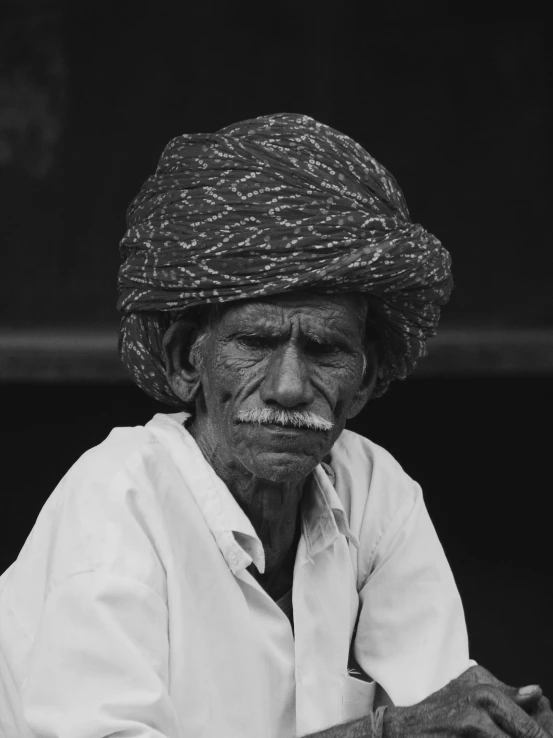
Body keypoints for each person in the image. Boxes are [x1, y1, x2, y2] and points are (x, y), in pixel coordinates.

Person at [0, 114, 551, 738]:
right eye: (257, 342)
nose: (289, 387)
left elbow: (444, 707)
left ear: (364, 381)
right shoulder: (116, 505)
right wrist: (385, 733)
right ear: (188, 361)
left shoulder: (374, 494)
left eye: (324, 350)